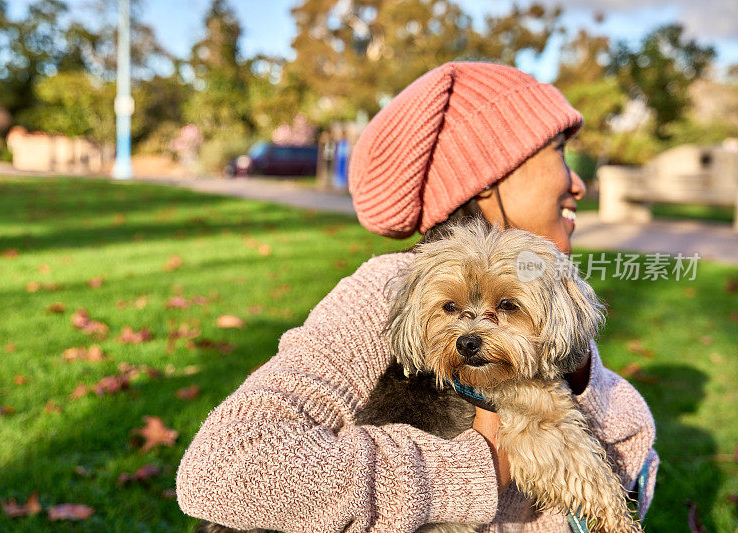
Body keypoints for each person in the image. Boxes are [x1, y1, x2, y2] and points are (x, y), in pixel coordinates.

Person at [177, 62, 659, 532]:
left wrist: (576, 380)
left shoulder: (546, 293)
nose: (578, 183)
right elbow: (222, 470)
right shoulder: (391, 288)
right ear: (488, 176)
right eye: (558, 151)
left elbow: (637, 458)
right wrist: (474, 469)